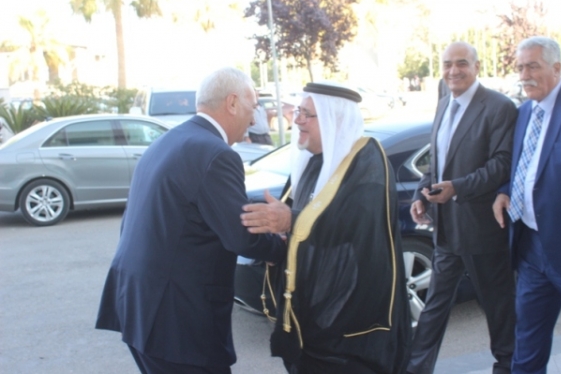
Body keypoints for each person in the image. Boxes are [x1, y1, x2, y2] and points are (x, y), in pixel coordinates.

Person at [95, 67, 287, 374]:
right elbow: (241, 235)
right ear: (232, 103)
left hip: (138, 305)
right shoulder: (216, 153)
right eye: (253, 108)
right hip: (176, 321)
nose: (254, 120)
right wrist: (281, 247)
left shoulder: (169, 140)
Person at [240, 81, 412, 374]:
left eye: (306, 114)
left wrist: (291, 220)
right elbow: (294, 217)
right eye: (298, 112)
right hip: (311, 316)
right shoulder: (310, 161)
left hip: (349, 322)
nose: (297, 120)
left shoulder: (367, 159)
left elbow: (359, 223)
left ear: (335, 119)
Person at [407, 41, 518, 374]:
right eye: (447, 64)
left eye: (461, 63)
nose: (453, 70)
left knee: (497, 308)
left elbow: (502, 164)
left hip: (482, 230)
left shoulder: (499, 107)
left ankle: (508, 366)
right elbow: (437, 163)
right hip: (446, 229)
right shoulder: (444, 103)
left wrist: (458, 187)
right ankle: (416, 368)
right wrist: (420, 196)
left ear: (477, 66)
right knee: (435, 307)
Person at [493, 36, 561, 373]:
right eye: (520, 67)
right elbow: (525, 168)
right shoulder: (524, 112)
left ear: (557, 68)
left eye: (533, 66)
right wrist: (505, 190)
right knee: (527, 346)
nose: (524, 75)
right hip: (531, 250)